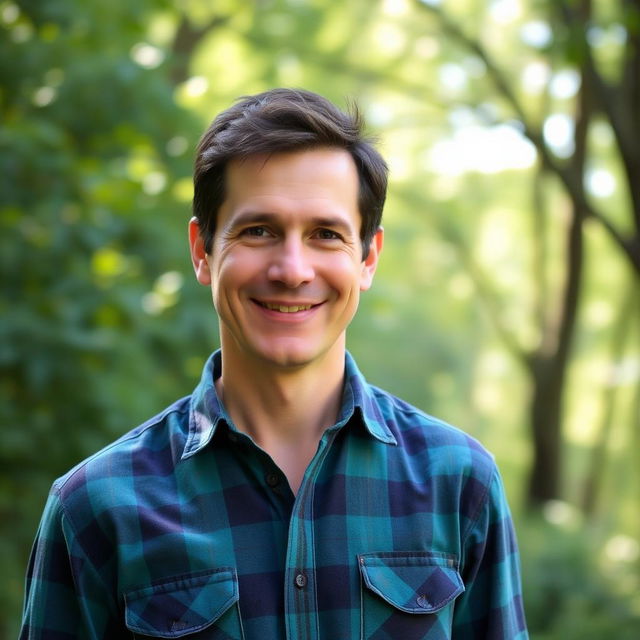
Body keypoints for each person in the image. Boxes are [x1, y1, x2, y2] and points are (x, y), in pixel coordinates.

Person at [20, 88, 528, 639]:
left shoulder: (460, 483)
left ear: (368, 258)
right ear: (202, 250)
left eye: (325, 235)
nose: (291, 269)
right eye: (258, 230)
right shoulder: (95, 506)